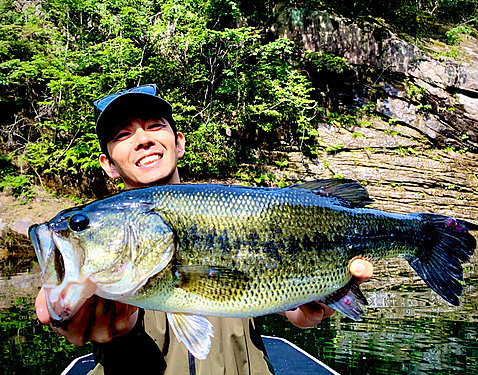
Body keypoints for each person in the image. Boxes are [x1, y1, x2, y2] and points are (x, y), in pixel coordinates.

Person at [35, 84, 374, 374]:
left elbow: (291, 305)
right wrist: (67, 304)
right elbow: (63, 297)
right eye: (123, 135)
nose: (142, 140)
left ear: (178, 143)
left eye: (154, 126)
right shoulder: (100, 253)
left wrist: (307, 309)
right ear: (108, 164)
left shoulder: (234, 210)